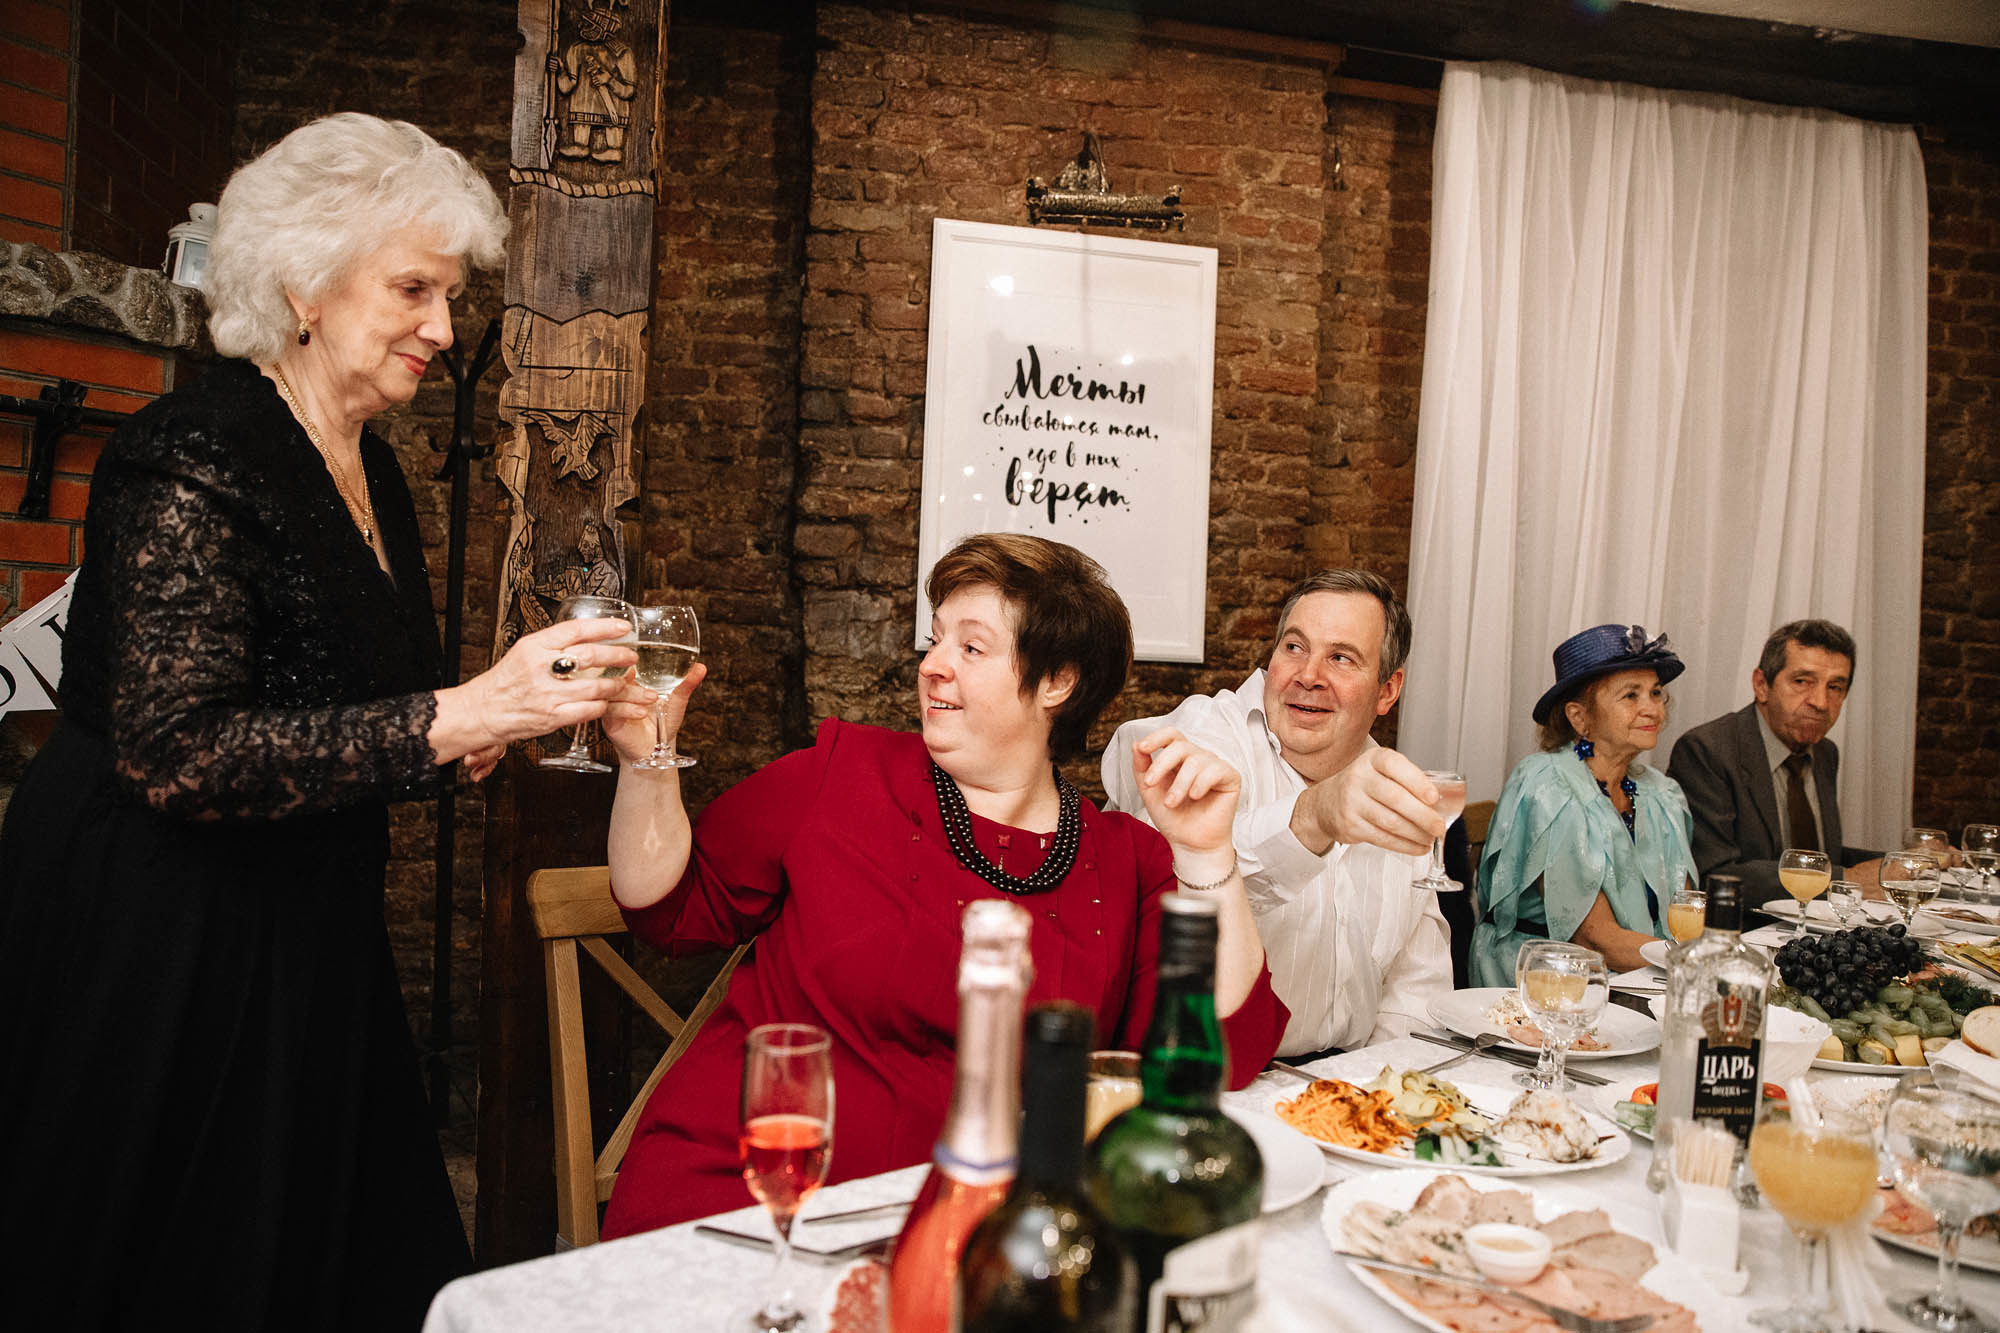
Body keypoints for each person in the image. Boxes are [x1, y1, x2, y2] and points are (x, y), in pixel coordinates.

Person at [0, 114, 643, 1331]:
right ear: (301, 282)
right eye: (414, 288)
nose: (445, 332)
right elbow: (176, 752)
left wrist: (476, 731)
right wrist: (453, 711)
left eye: (448, 295)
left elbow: (337, 711)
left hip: (305, 925)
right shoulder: (188, 451)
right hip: (159, 936)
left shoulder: (373, 466)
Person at [596, 534, 1288, 1235]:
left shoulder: (1125, 858)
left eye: (972, 647)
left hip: (974, 1228)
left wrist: (1205, 852)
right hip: (752, 1187)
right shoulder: (839, 773)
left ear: (1057, 681)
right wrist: (645, 761)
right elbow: (667, 909)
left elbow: (1226, 1053)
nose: (932, 666)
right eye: (936, 641)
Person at [1102, 570, 1452, 1057]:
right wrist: (1312, 818)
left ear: (1387, 690)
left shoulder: (1394, 787)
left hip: (1350, 1085)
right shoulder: (1205, 737)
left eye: (1340, 657)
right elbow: (1169, 896)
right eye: (1294, 647)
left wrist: (1380, 1095)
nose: (1309, 675)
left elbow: (1416, 991)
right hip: (1211, 1076)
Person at [1472, 624, 1697, 985]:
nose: (1652, 709)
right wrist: (1699, 966)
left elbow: (1685, 915)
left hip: (1642, 976)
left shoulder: (1661, 794)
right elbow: (1593, 939)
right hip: (1546, 984)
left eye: (1656, 693)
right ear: (1580, 717)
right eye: (1630, 696)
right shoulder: (1548, 788)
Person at [1668, 618, 1882, 897]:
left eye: (1835, 687)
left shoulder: (1825, 752)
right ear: (1761, 685)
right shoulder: (1707, 750)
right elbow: (1715, 874)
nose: (1820, 702)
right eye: (1802, 681)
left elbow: (1819, 855)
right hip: (1746, 932)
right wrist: (1845, 879)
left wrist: (1902, 864)